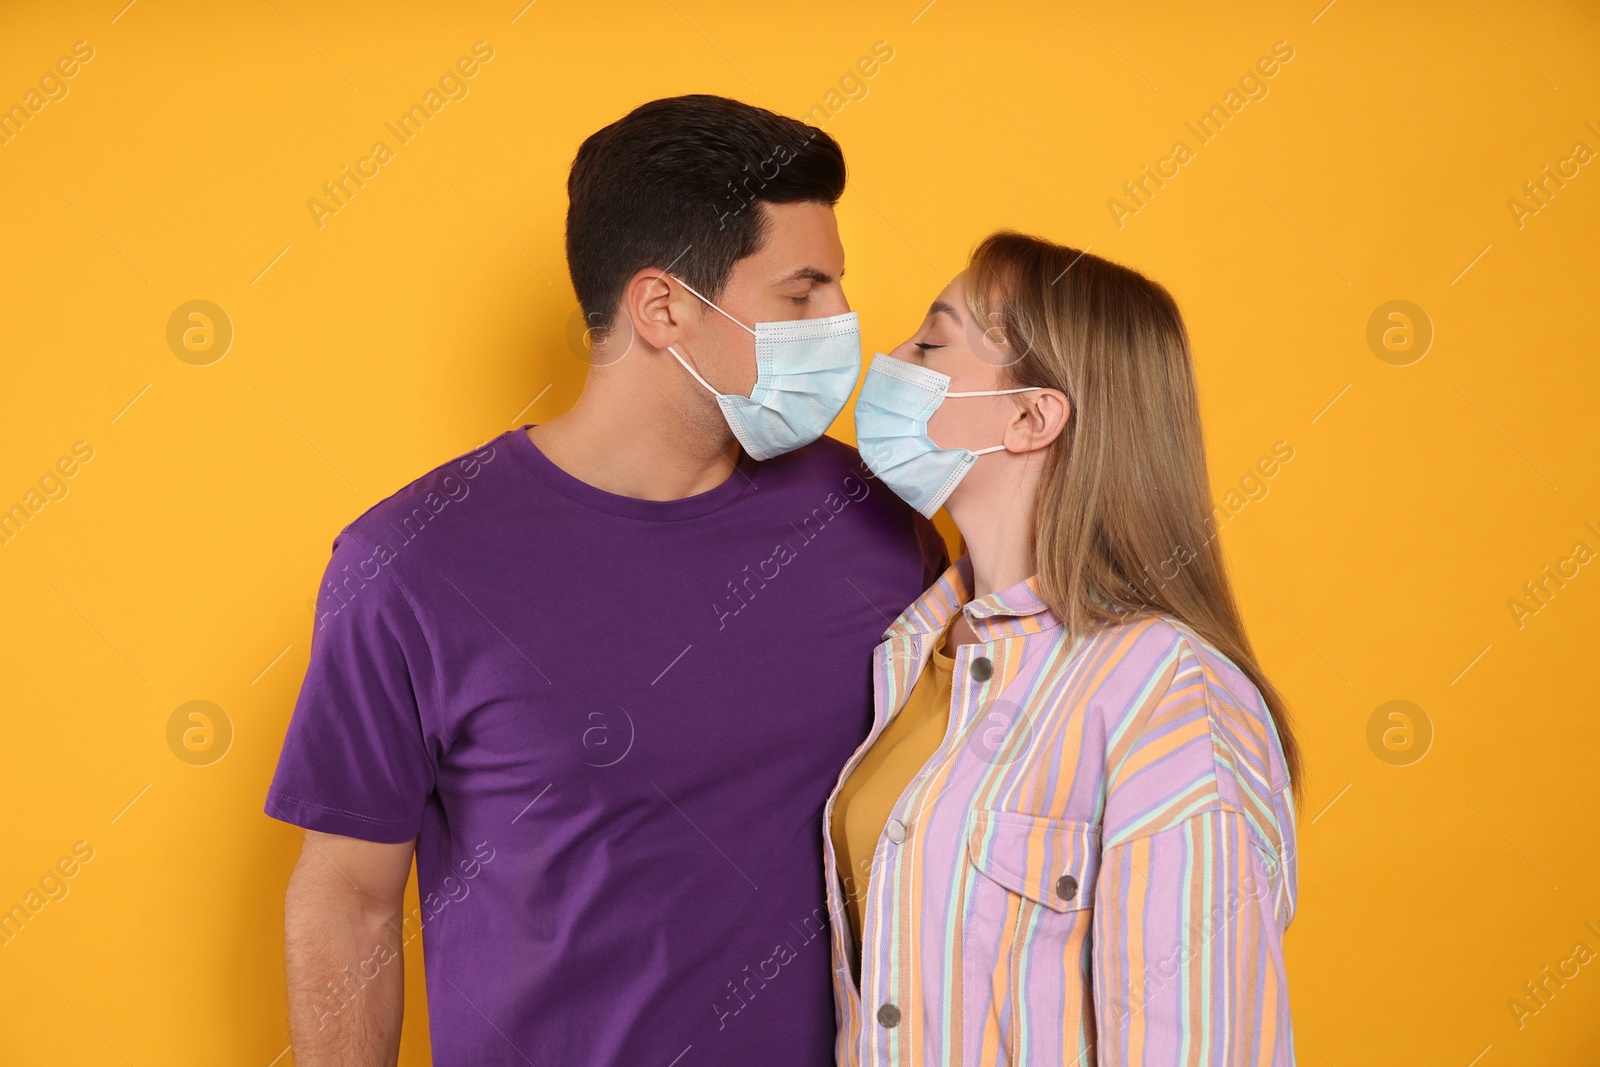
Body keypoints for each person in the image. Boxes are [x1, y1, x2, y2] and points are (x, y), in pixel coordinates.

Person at [263, 95, 947, 1067]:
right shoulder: (411, 562)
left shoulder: (879, 522)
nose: (842, 321)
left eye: (838, 286)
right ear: (664, 307)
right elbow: (348, 896)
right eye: (802, 294)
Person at [826, 231, 1304, 1065]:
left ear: (1029, 417)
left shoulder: (1170, 693)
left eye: (933, 341)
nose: (891, 358)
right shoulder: (910, 651)